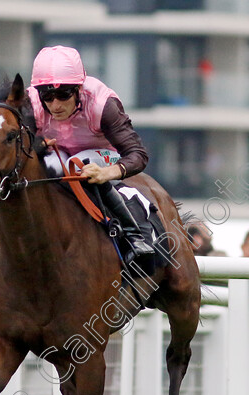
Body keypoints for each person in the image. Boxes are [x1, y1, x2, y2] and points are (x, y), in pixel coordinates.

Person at [27, 45, 153, 264]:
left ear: (78, 89)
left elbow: (137, 154)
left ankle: (134, 235)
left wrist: (107, 173)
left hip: (101, 157)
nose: (55, 105)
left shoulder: (102, 104)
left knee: (78, 165)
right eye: (47, 96)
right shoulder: (30, 103)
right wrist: (38, 145)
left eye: (63, 95)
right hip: (59, 154)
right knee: (46, 165)